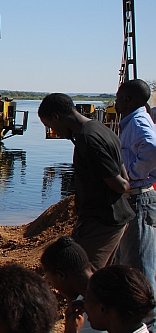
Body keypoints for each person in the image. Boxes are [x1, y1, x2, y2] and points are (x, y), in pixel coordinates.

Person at [38, 93, 134, 268]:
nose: (54, 132)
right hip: (111, 217)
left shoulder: (88, 140)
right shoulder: (101, 129)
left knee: (85, 272)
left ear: (56, 117)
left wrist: (127, 187)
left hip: (101, 221)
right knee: (100, 274)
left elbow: (121, 185)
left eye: (50, 125)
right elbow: (123, 174)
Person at [114, 79, 156, 311]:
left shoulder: (138, 121)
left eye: (118, 97)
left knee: (141, 268)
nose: (115, 102)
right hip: (136, 198)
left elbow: (152, 148)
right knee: (131, 262)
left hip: (140, 198)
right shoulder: (134, 121)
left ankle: (149, 329)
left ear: (128, 99)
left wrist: (132, 175)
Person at [41, 236, 109, 333]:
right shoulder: (108, 286)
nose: (53, 286)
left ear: (61, 275)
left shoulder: (91, 311)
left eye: (50, 280)